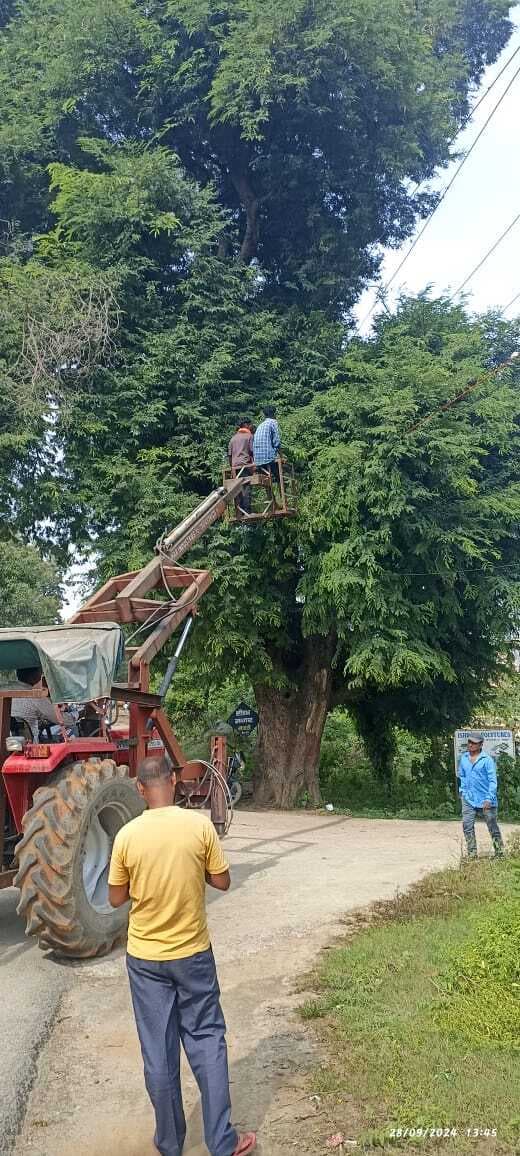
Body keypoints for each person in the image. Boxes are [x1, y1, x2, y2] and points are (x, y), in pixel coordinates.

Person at [108, 755, 256, 1156]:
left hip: (145, 959)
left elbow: (116, 897)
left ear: (140, 789)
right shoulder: (199, 826)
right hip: (192, 954)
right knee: (207, 1038)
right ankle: (223, 1142)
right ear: (173, 782)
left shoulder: (126, 836)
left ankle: (170, 1144)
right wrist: (198, 871)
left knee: (158, 1050)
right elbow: (222, 882)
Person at [458, 731, 505, 859]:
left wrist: (489, 798)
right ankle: (472, 854)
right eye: (469, 742)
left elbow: (492, 781)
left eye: (474, 743)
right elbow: (462, 775)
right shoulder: (464, 758)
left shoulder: (487, 760)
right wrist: (462, 791)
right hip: (468, 798)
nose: (471, 745)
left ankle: (499, 853)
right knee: (467, 825)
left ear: (481, 745)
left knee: (492, 827)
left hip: (486, 800)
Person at [11, 666, 61, 740]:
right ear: (33, 677)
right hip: (28, 745)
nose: (41, 675)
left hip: (8, 742)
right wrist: (75, 716)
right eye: (41, 673)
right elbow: (62, 719)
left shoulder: (6, 689)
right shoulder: (35, 696)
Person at [228, 419, 254, 515]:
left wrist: (232, 468)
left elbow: (230, 456)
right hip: (245, 466)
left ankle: (240, 512)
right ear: (246, 425)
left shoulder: (233, 438)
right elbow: (252, 452)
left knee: (238, 489)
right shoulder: (249, 436)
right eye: (250, 425)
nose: (251, 427)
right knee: (246, 488)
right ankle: (247, 511)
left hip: (235, 467)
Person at [252, 405, 281, 480]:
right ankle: (281, 483)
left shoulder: (261, 425)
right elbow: (276, 442)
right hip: (268, 457)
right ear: (274, 413)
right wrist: (281, 455)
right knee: (280, 471)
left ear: (264, 415)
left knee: (269, 476)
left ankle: (271, 485)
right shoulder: (273, 422)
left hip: (257, 459)